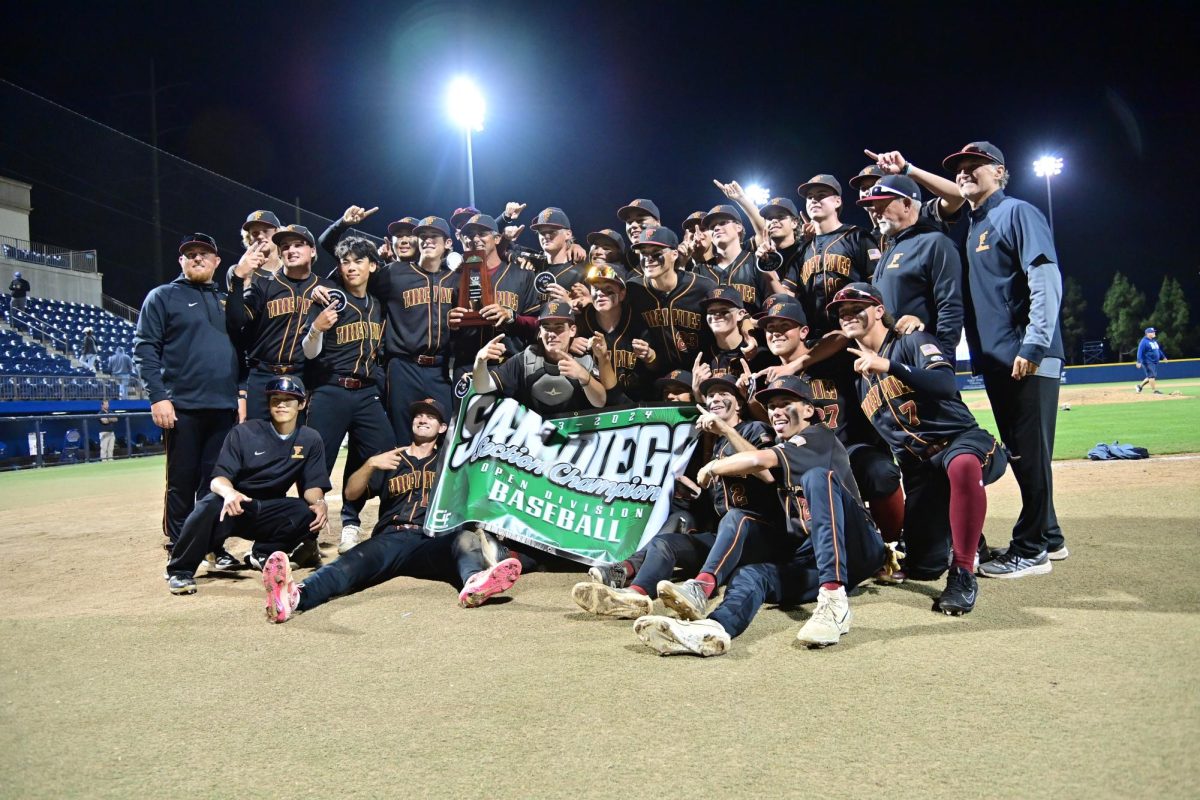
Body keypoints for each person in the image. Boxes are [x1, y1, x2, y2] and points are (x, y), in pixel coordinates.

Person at [634, 375, 888, 656]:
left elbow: (757, 460)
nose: (776, 411)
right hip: (813, 557)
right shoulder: (784, 452)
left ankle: (833, 600)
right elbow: (761, 466)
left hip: (858, 546)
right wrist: (723, 437)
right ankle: (713, 629)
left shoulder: (819, 437)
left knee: (818, 478)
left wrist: (714, 466)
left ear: (808, 410)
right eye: (771, 406)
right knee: (751, 575)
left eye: (786, 403)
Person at [830, 282, 1008, 613]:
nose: (848, 315)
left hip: (962, 441)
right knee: (924, 567)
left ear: (879, 311)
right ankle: (968, 536)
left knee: (962, 465)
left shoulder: (911, 341)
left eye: (857, 308)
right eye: (842, 312)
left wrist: (890, 366)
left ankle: (964, 572)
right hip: (922, 471)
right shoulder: (857, 379)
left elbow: (944, 384)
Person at [261, 398, 523, 622]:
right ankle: (294, 597)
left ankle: (475, 584)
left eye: (431, 417)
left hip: (431, 541)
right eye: (418, 415)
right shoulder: (390, 459)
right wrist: (370, 465)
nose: (422, 419)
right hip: (391, 538)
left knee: (464, 540)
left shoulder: (451, 463)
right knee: (350, 564)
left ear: (442, 427)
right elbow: (352, 493)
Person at [946, 140, 1068, 575]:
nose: (964, 172)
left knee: (1030, 455)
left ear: (999, 171)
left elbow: (1046, 276)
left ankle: (1031, 549)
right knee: (1023, 454)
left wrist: (1034, 343)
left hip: (1027, 354)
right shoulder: (975, 223)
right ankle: (1049, 537)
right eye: (959, 168)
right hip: (1000, 360)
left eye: (974, 165)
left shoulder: (1017, 212)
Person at [574, 374, 777, 620]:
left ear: (740, 404)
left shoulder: (755, 429)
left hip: (762, 536)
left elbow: (767, 474)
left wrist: (724, 431)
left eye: (725, 393)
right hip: (726, 537)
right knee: (665, 543)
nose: (716, 398)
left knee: (736, 517)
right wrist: (699, 493)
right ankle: (635, 595)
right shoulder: (715, 445)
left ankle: (701, 589)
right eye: (711, 395)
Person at [165, 376, 330, 595]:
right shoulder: (244, 433)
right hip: (237, 507)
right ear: (268, 404)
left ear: (302, 404)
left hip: (269, 510)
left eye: (289, 400)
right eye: (275, 399)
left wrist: (319, 503)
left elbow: (312, 485)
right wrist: (229, 492)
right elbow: (218, 479)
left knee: (305, 513)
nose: (281, 404)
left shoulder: (310, 439)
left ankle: (263, 553)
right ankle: (180, 570)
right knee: (207, 505)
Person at [134, 233, 239, 554]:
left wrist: (243, 395)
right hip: (181, 406)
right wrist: (157, 396)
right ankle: (180, 543)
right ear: (181, 261)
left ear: (217, 262)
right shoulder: (163, 296)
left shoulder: (226, 301)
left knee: (216, 480)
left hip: (223, 406)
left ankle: (212, 543)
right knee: (182, 479)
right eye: (190, 254)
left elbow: (244, 350)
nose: (197, 258)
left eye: (204, 254)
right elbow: (145, 348)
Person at [301, 236, 392, 554]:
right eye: (345, 262)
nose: (351, 267)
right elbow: (309, 352)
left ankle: (351, 523)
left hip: (367, 393)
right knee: (317, 466)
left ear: (371, 266)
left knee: (383, 456)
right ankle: (306, 538)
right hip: (331, 391)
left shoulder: (378, 302)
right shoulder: (329, 296)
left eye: (358, 261)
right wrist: (317, 328)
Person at [226, 225, 333, 422]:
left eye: (298, 245)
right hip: (262, 375)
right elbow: (235, 321)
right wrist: (238, 277)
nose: (291, 250)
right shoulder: (263, 285)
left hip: (303, 376)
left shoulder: (327, 287)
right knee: (257, 441)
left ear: (313, 250)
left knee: (298, 445)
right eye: (285, 246)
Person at [856, 175, 964, 356]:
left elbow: (950, 306)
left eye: (882, 205)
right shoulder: (890, 246)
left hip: (923, 355)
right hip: (890, 355)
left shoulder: (934, 242)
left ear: (907, 204)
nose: (875, 212)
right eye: (873, 206)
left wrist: (942, 356)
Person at [472, 300, 607, 416]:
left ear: (572, 330)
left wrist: (584, 376)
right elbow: (482, 387)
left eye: (559, 328)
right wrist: (480, 362)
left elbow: (601, 402)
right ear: (540, 332)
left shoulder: (583, 361)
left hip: (573, 437)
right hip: (533, 439)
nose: (551, 334)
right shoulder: (525, 359)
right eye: (546, 328)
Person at [626, 225, 717, 372]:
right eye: (644, 253)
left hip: (702, 373)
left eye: (656, 253)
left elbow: (732, 313)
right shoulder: (634, 288)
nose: (649, 259)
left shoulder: (703, 287)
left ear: (674, 254)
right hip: (659, 377)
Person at [573, 264, 658, 402]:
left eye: (608, 289)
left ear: (622, 294)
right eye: (596, 288)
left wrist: (650, 356)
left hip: (635, 402)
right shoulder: (581, 320)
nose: (600, 293)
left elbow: (656, 368)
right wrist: (569, 343)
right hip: (592, 405)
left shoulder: (638, 322)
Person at [1136, 327, 1167, 394]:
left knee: (1151, 376)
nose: (1154, 333)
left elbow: (1158, 350)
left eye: (1154, 332)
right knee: (1152, 376)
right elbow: (1139, 352)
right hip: (1147, 362)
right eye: (1152, 332)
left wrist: (1163, 357)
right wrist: (1138, 361)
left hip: (1154, 362)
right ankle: (1154, 391)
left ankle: (1139, 386)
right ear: (1147, 333)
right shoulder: (1143, 341)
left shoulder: (1153, 341)